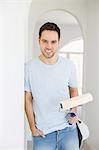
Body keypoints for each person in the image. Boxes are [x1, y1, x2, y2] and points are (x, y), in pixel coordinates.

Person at [24, 22, 79, 150]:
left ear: (58, 42)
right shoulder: (28, 67)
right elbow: (27, 98)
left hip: (68, 130)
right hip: (43, 133)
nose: (49, 46)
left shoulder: (69, 65)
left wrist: (73, 112)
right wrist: (32, 128)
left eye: (53, 42)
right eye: (45, 41)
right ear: (39, 40)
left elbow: (74, 90)